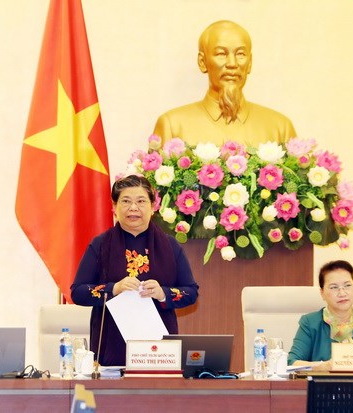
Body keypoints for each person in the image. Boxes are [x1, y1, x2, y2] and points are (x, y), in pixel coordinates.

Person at [71, 175, 199, 366]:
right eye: (125, 201)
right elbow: (78, 292)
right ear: (114, 207)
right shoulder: (100, 245)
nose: (133, 208)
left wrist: (163, 293)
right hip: (110, 346)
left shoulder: (170, 246)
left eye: (141, 201)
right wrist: (114, 289)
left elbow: (191, 292)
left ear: (153, 207)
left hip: (160, 352)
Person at [153, 20, 296, 147]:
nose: (232, 64)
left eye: (240, 54)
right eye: (221, 54)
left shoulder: (280, 128)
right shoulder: (172, 127)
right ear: (202, 62)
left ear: (250, 63)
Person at [288, 260, 353, 371]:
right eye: (334, 287)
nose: (342, 293)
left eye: (347, 285)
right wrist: (323, 366)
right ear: (322, 293)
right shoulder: (310, 322)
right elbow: (292, 363)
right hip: (322, 382)